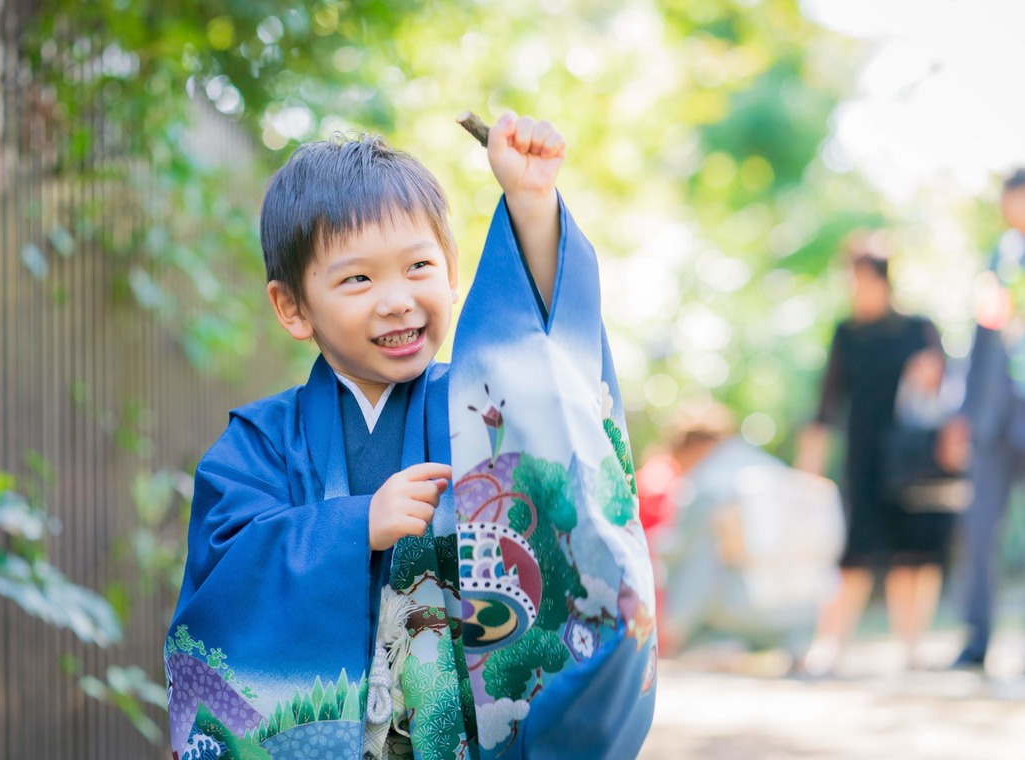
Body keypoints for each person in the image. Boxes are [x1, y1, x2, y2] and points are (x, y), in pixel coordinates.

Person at [163, 114, 657, 760]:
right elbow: (223, 582)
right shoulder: (260, 442)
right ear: (292, 308)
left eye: (418, 266)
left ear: (453, 273)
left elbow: (545, 364)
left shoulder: (478, 408)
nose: (397, 299)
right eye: (358, 279)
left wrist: (531, 205)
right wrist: (355, 525)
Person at [796, 233, 952, 673]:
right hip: (862, 458)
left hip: (911, 460)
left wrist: (930, 376)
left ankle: (912, 647)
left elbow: (947, 393)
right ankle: (829, 645)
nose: (854, 287)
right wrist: (810, 466)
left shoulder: (919, 329)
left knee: (911, 554)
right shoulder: (846, 332)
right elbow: (826, 402)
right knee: (855, 554)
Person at [646, 403, 843, 659]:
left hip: (747, 609)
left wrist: (673, 628)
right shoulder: (767, 466)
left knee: (696, 557)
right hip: (807, 611)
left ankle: (708, 643)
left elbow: (689, 562)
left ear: (692, 448)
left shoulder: (706, 487)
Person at [946, 168, 1025, 670]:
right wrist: (964, 414)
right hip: (994, 418)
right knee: (979, 531)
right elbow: (979, 341)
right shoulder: (999, 260)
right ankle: (976, 641)